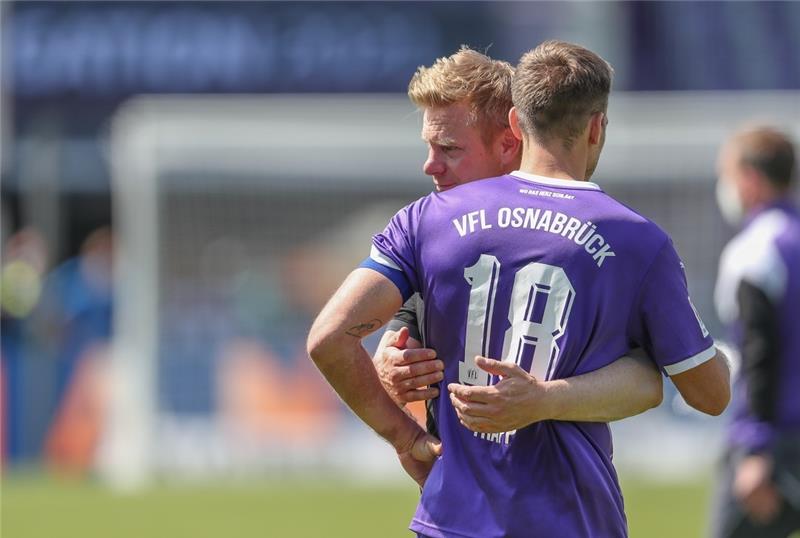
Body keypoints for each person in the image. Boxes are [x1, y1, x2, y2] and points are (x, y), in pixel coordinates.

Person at [307, 40, 731, 537]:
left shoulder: (428, 221)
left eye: (447, 149)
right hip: (572, 518)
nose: (431, 165)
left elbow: (328, 338)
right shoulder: (636, 241)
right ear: (596, 127)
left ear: (514, 127)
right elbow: (709, 394)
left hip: (449, 520)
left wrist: (405, 436)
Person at [374, 47, 664, 434]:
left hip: (560, 482)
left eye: (450, 148)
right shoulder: (432, 228)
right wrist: (388, 361)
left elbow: (648, 377)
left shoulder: (594, 234)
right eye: (429, 147)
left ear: (511, 141)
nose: (430, 165)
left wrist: (547, 399)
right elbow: (402, 327)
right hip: (457, 483)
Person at [711, 126, 800, 537]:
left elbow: (760, 351)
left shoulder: (756, 251)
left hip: (779, 440)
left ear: (749, 178)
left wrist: (755, 449)